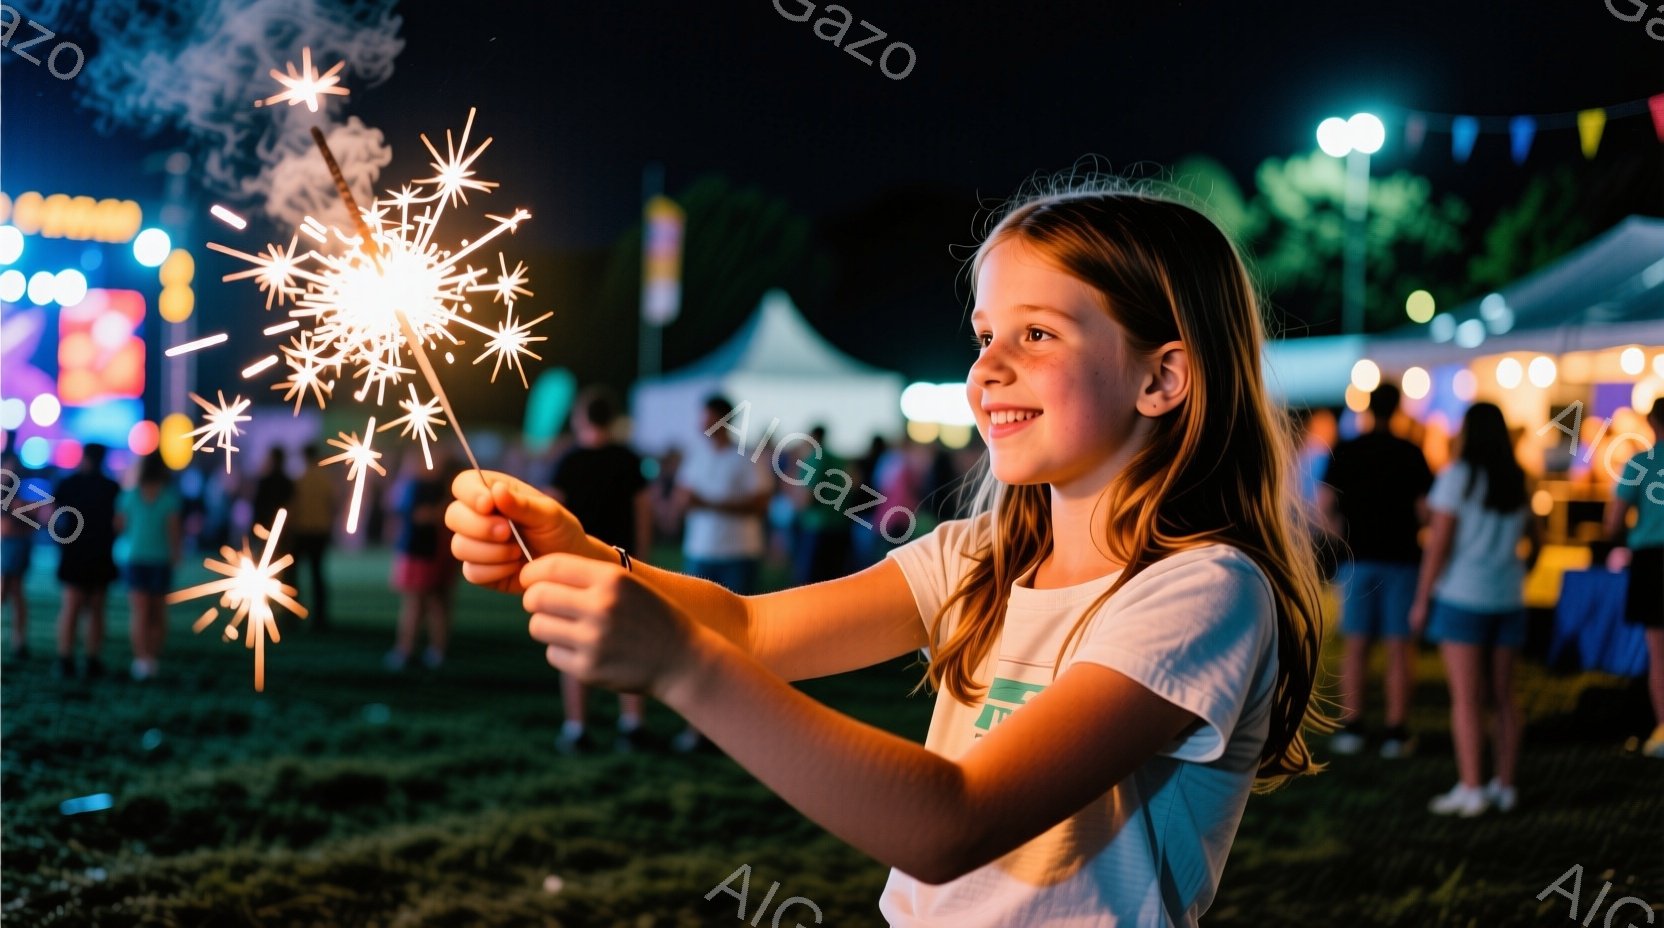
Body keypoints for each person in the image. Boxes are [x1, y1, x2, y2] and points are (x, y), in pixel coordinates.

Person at [446, 188, 1328, 925]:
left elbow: (951, 823)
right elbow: (753, 628)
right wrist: (592, 556)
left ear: (1161, 378)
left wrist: (681, 668)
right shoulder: (977, 556)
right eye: (986, 335)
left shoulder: (1203, 593)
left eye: (1039, 334)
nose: (988, 370)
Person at [1408, 403, 1538, 815]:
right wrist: (1518, 571)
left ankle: (1471, 788)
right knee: (1503, 697)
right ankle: (1506, 785)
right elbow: (1539, 541)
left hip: (1463, 596)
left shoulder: (1456, 477)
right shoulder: (1518, 479)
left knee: (1465, 699)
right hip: (1508, 597)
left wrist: (1422, 599)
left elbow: (1439, 545)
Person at [1318, 383, 1434, 758]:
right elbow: (1425, 510)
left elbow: (1324, 504)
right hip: (1402, 558)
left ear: (1368, 408)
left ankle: (1353, 726)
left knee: (1357, 646)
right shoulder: (1411, 452)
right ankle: (1396, 730)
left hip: (1359, 558)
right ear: (1399, 409)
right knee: (1400, 647)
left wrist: (1342, 536)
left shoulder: (1347, 449)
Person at [547, 386, 653, 753]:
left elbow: (553, 513)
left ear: (580, 419)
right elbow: (642, 511)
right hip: (621, 562)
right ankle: (632, 723)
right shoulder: (628, 459)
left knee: (573, 641)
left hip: (577, 564)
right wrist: (642, 558)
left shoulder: (568, 461)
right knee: (627, 641)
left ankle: (577, 727)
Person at [1604, 398, 1664, 760]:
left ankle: (1663, 729)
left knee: (1659, 653)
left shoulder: (1641, 463)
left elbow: (1614, 520)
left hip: (1652, 561)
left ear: (1652, 421)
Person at [386, 450, 460, 671]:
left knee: (424, 604)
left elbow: (421, 515)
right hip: (426, 550)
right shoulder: (419, 486)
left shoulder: (427, 487)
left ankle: (413, 650)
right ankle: (426, 650)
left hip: (427, 551)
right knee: (428, 604)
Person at [53, 443, 120, 679]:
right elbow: (118, 524)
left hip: (74, 553)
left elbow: (53, 517)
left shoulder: (68, 484)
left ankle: (66, 659)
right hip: (101, 553)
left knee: (71, 607)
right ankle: (92, 659)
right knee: (96, 609)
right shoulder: (111, 487)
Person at [116, 453, 182, 681]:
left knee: (140, 611)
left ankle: (141, 658)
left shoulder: (130, 496)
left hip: (135, 557)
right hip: (160, 559)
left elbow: (120, 526)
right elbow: (173, 532)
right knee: (157, 612)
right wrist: (176, 554)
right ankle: (152, 657)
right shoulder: (169, 497)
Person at [2, 449, 51, 659]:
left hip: (17, 546)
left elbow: (40, 518)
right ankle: (18, 640)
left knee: (13, 591)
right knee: (9, 591)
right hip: (8, 546)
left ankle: (19, 639)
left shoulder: (24, 495)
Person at [289, 444, 337, 631]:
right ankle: (320, 617)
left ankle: (293, 614)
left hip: (302, 531)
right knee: (317, 574)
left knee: (294, 574)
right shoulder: (326, 480)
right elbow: (333, 505)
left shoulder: (299, 480)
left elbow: (293, 507)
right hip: (320, 531)